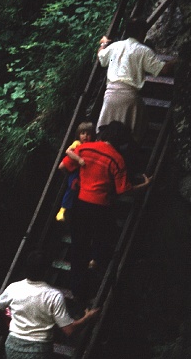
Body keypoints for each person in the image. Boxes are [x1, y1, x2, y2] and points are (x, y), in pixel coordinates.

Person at [58, 120, 153, 306]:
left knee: (78, 247)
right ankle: (96, 268)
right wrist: (144, 185)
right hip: (101, 207)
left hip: (80, 203)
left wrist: (76, 183)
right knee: (103, 240)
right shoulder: (117, 159)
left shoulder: (85, 149)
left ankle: (78, 291)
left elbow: (63, 167)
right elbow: (123, 190)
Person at [0, 249, 100, 359]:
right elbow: (69, 329)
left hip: (12, 345)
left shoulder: (14, 288)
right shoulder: (53, 296)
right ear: (46, 270)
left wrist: (8, 322)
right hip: (36, 352)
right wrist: (87, 318)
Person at [97, 17, 177, 144]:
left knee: (105, 132)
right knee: (135, 133)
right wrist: (178, 59)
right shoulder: (143, 51)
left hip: (110, 96)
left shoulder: (115, 47)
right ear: (141, 33)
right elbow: (164, 69)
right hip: (129, 97)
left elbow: (101, 57)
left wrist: (103, 43)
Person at [56, 122, 95, 222]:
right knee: (71, 188)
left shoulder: (90, 145)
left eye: (88, 134)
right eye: (83, 133)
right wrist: (78, 159)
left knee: (76, 188)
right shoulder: (77, 143)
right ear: (78, 134)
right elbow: (68, 151)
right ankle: (63, 210)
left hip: (79, 170)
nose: (85, 136)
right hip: (74, 167)